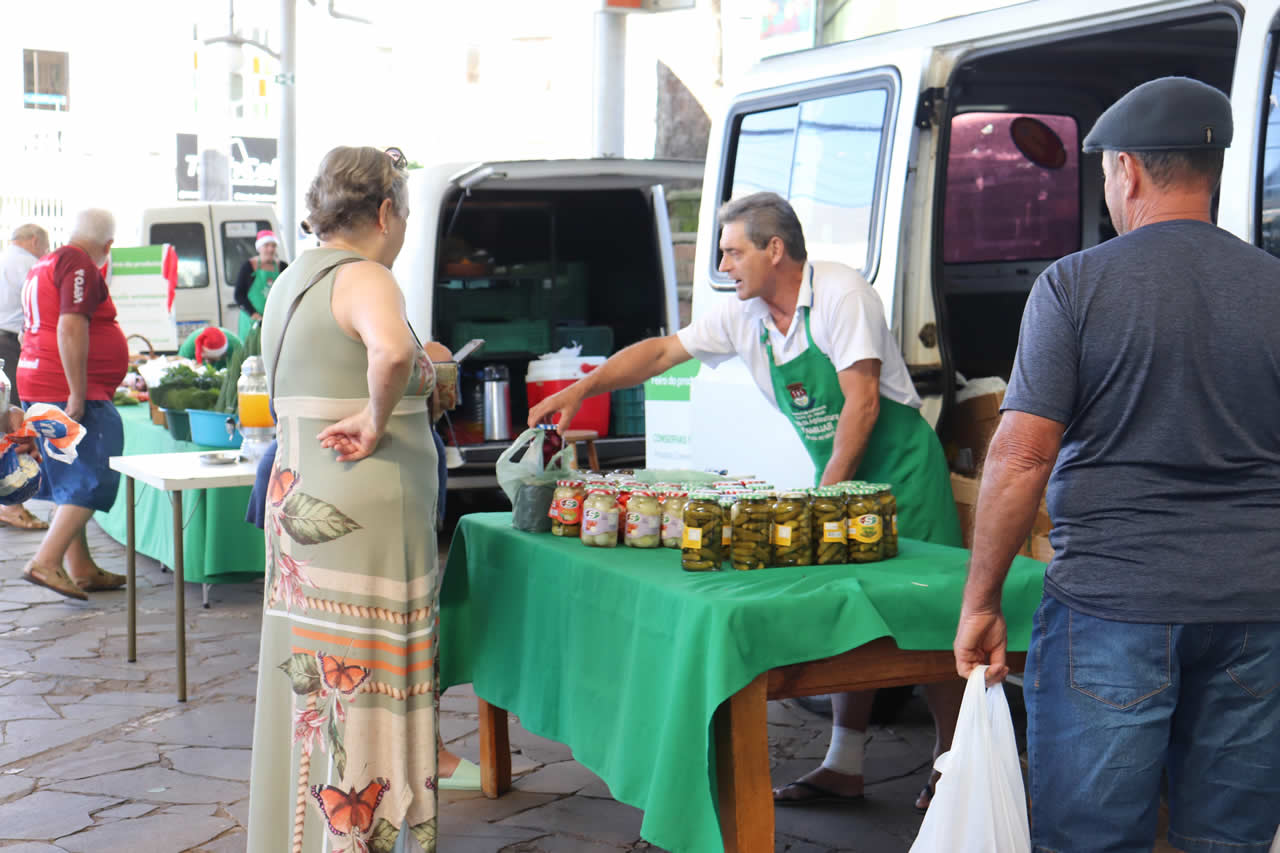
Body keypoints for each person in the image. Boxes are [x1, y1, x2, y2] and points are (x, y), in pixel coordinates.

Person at [528, 191, 964, 810]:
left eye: (733, 252)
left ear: (775, 249)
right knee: (855, 616)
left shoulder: (842, 295)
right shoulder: (745, 315)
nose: (724, 265)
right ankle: (844, 763)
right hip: (838, 478)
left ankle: (955, 766)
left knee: (934, 622)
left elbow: (862, 403)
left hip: (902, 479)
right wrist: (584, 387)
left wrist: (827, 497)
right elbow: (659, 353)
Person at [954, 77, 1280, 853]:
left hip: (1114, 605)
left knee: (1091, 840)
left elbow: (1023, 453)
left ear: (1126, 170)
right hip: (1259, 611)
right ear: (1214, 174)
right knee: (1231, 841)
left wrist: (982, 599)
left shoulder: (1075, 285)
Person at [246, 146, 441, 853]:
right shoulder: (365, 275)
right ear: (385, 211)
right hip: (365, 511)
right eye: (407, 213)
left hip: (302, 504)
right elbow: (386, 353)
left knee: (314, 688)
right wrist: (377, 416)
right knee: (368, 686)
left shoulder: (290, 279)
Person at [16, 209, 128, 600]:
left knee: (69, 476)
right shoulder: (79, 263)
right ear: (108, 246)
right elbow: (70, 324)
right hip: (69, 387)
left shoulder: (46, 261)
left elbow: (28, 329)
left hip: (38, 377)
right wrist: (77, 392)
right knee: (95, 472)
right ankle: (45, 561)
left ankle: (80, 567)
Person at [0, 223, 51, 531]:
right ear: (34, 241)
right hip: (12, 344)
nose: (45, 253)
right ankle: (12, 504)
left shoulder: (4, 258)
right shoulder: (30, 264)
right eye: (44, 247)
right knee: (13, 424)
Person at [233, 229, 287, 342]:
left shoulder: (283, 267)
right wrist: (256, 316)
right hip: (251, 322)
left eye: (273, 246)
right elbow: (239, 295)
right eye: (266, 245)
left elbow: (288, 293)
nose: (270, 249)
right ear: (259, 248)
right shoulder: (248, 267)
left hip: (275, 322)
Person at [176, 325, 242, 369]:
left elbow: (239, 371)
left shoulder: (235, 345)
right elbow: (180, 365)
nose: (208, 362)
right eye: (206, 359)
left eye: (213, 360)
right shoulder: (190, 345)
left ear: (224, 353)